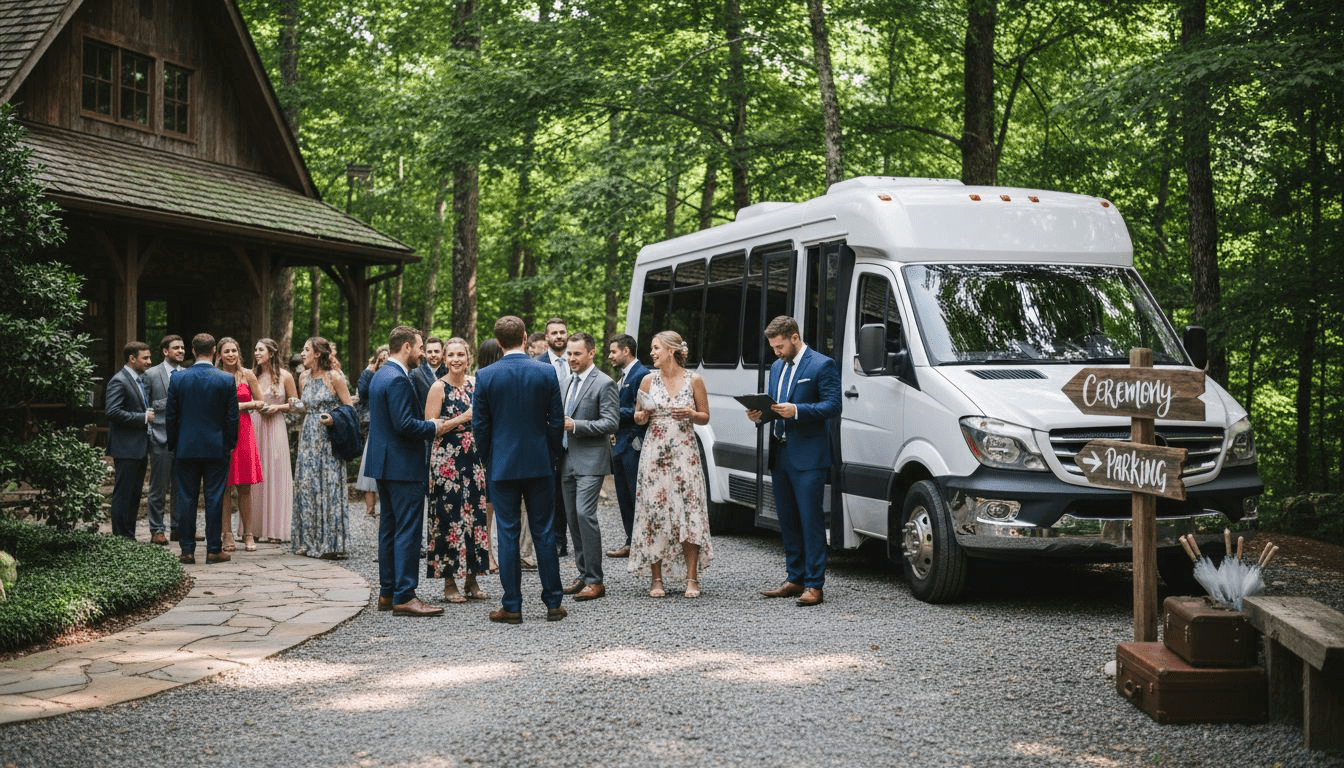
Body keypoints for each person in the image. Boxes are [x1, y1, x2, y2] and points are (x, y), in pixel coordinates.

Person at [473, 315, 566, 624]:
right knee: (543, 530)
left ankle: (512, 605)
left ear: (498, 342)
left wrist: (488, 459)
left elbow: (480, 426)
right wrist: (551, 454)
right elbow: (556, 420)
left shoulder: (486, 376)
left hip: (502, 464)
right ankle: (553, 602)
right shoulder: (545, 371)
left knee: (508, 533)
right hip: (539, 461)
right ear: (525, 337)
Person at [746, 315, 842, 607]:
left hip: (809, 457)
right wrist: (760, 415)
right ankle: (794, 577)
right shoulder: (776, 367)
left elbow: (833, 405)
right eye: (773, 347)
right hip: (781, 453)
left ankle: (814, 585)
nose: (775, 352)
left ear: (794, 337)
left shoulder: (821, 364)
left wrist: (798, 410)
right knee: (786, 520)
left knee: (810, 520)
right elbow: (775, 405)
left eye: (779, 346)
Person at [366, 325, 450, 617]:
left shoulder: (380, 375)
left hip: (385, 464)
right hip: (403, 465)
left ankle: (387, 592)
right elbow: (403, 424)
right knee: (407, 530)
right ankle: (405, 595)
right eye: (419, 347)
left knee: (389, 528)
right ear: (405, 347)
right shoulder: (399, 379)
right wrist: (433, 427)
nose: (422, 353)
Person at [630, 330, 713, 598]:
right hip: (655, 453)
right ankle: (656, 580)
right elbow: (638, 417)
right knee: (655, 512)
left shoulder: (694, 380)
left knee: (689, 511)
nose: (651, 353)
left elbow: (705, 417)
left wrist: (690, 413)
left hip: (685, 452)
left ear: (671, 350)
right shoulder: (647, 380)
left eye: (656, 348)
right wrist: (643, 415)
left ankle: (692, 578)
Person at [425, 337, 490, 604]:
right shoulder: (438, 388)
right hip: (446, 462)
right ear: (444, 358)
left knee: (474, 518)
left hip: (474, 460)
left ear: (468, 357)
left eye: (460, 354)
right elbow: (431, 427)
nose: (455, 360)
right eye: (450, 355)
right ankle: (449, 582)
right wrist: (463, 418)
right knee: (448, 519)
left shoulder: (477, 384)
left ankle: (472, 579)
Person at [166, 333, 239, 564]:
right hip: (216, 447)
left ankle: (187, 550)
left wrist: (173, 443)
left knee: (186, 498)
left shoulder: (178, 378)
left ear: (193, 350)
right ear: (216, 351)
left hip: (186, 447)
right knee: (214, 498)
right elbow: (232, 418)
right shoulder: (226, 380)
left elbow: (171, 416)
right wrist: (229, 444)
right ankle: (213, 549)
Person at [558, 332, 618, 601]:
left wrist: (576, 426)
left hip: (591, 460)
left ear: (591, 353)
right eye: (569, 354)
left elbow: (611, 423)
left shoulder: (604, 383)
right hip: (566, 458)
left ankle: (596, 580)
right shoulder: (566, 381)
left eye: (577, 354)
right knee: (572, 518)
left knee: (585, 514)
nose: (571, 358)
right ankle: (583, 574)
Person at [289, 336, 354, 559]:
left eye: (306, 349)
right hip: (308, 439)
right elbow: (306, 406)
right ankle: (309, 541)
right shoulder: (303, 377)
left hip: (328, 440)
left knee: (328, 487)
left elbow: (349, 408)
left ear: (317, 353)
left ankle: (331, 543)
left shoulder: (334, 377)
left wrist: (333, 419)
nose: (302, 353)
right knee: (307, 487)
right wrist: (295, 406)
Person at [216, 337, 264, 552]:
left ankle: (248, 533)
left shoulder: (248, 374)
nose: (231, 354)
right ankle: (226, 534)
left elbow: (261, 402)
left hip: (244, 432)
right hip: (222, 433)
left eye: (234, 350)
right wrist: (242, 405)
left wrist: (242, 405)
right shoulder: (216, 376)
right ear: (219, 354)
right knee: (224, 487)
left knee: (245, 488)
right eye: (226, 351)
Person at [605, 333, 649, 558]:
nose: (610, 356)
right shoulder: (624, 376)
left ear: (626, 351)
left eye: (613, 351)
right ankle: (631, 541)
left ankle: (640, 543)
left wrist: (608, 412)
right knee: (623, 495)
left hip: (633, 444)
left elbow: (642, 411)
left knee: (635, 494)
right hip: (619, 444)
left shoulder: (642, 375)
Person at [105, 340, 154, 540]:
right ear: (132, 359)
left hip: (139, 446)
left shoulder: (138, 379)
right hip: (125, 447)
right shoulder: (119, 380)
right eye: (146, 358)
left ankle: (130, 536)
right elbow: (113, 412)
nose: (150, 362)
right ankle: (120, 537)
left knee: (134, 495)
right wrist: (143, 417)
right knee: (123, 494)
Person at [253, 338, 296, 543]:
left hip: (276, 425)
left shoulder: (286, 376)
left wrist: (277, 408)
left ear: (271, 352)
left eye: (260, 349)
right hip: (256, 425)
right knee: (256, 476)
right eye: (255, 350)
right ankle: (254, 527)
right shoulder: (252, 376)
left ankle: (276, 530)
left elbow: (296, 404)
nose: (256, 353)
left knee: (276, 474)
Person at [534, 317, 570, 557]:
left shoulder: (576, 361)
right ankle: (553, 540)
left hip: (573, 435)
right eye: (554, 333)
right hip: (546, 436)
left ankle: (565, 538)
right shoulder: (537, 364)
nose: (558, 336)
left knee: (568, 490)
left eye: (562, 332)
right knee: (550, 491)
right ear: (546, 337)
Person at [145, 334, 185, 545]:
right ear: (165, 351)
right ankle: (157, 529)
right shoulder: (151, 374)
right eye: (176, 348)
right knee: (158, 488)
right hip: (160, 438)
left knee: (181, 486)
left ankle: (178, 528)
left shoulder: (187, 375)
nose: (180, 351)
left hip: (184, 440)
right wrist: (151, 433)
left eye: (182, 347)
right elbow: (145, 405)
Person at [354, 345, 390, 517]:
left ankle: (387, 508)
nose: (384, 359)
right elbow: (361, 392)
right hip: (371, 424)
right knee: (369, 466)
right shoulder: (372, 375)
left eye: (387, 356)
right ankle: (370, 509)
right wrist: (371, 368)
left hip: (387, 425)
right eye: (381, 357)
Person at [410, 336, 447, 409]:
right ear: (424, 353)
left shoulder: (449, 372)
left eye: (436, 351)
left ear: (443, 352)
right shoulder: (414, 374)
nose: (433, 355)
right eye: (429, 352)